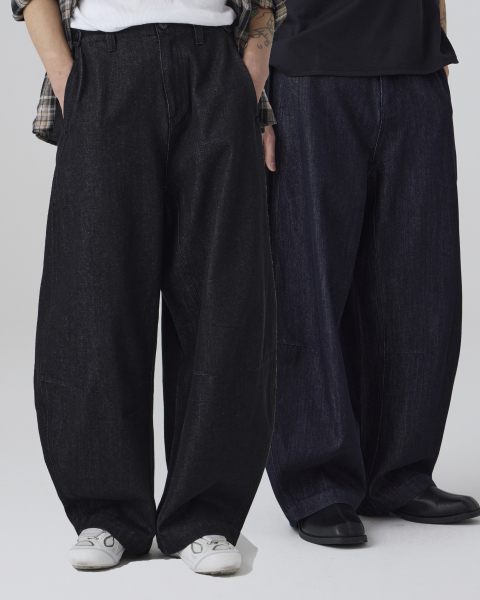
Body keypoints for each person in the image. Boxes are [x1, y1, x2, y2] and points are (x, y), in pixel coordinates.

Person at [12, 0, 286, 573]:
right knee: (94, 295)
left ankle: (205, 516)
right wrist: (67, 77)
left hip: (215, 63)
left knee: (223, 297)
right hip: (104, 63)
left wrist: (254, 64)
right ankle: (107, 512)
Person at [264, 0, 480, 546]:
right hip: (307, 69)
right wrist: (255, 92)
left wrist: (434, 42)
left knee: (420, 281)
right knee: (308, 284)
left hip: (414, 69)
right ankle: (315, 483)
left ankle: (399, 473)